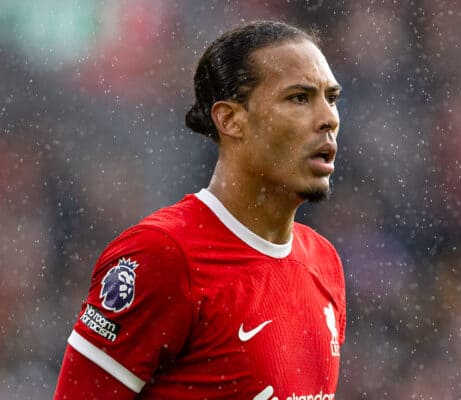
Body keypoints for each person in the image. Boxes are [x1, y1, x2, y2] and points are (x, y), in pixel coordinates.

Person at [54, 20, 346, 400]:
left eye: (332, 97)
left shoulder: (324, 264)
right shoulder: (163, 255)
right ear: (230, 119)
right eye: (299, 98)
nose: (329, 118)